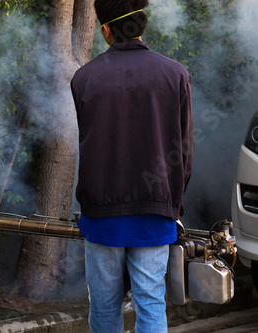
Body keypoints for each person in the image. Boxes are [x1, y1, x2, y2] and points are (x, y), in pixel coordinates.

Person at [70, 0, 194, 332]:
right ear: (143, 24)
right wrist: (172, 205)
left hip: (102, 215)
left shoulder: (84, 78)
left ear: (106, 30)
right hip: (155, 211)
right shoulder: (176, 74)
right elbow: (184, 151)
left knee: (104, 306)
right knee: (151, 303)